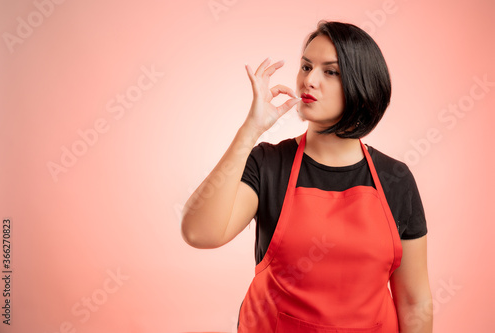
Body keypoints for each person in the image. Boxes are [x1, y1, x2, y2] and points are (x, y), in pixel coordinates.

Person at [181, 20, 433, 333]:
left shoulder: (395, 178)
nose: (309, 80)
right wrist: (250, 131)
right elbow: (200, 233)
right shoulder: (269, 164)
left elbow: (414, 300)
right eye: (305, 66)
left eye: (330, 71)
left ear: (362, 84)